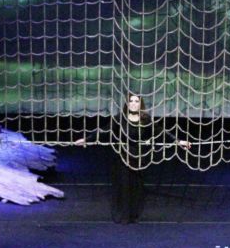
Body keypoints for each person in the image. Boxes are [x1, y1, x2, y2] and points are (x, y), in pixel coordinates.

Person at [76, 93, 191, 224]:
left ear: (140, 104)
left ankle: (133, 215)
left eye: (137, 101)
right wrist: (87, 139)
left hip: (138, 157)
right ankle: (123, 216)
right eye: (131, 101)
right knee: (123, 186)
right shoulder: (120, 119)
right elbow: (104, 130)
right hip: (122, 156)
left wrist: (178, 141)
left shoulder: (145, 120)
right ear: (127, 103)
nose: (134, 103)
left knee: (136, 186)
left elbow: (161, 132)